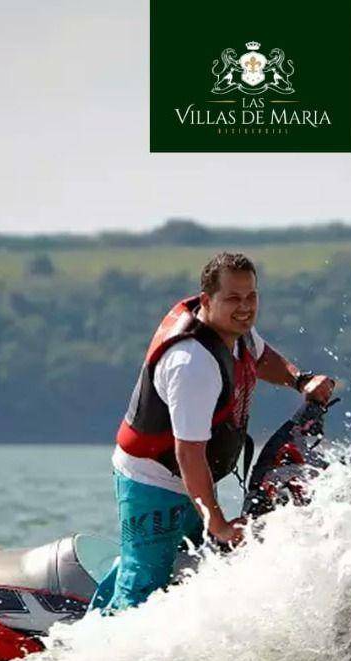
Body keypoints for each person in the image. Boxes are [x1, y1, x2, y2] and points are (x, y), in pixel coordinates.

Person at [92, 251, 334, 611]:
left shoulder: (233, 329)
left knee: (183, 564)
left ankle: (95, 614)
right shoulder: (192, 364)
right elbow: (188, 453)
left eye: (251, 296)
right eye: (234, 298)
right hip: (152, 481)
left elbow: (260, 355)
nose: (245, 307)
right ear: (207, 300)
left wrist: (300, 381)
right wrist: (217, 522)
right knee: (145, 582)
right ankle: (97, 655)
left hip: (188, 479)